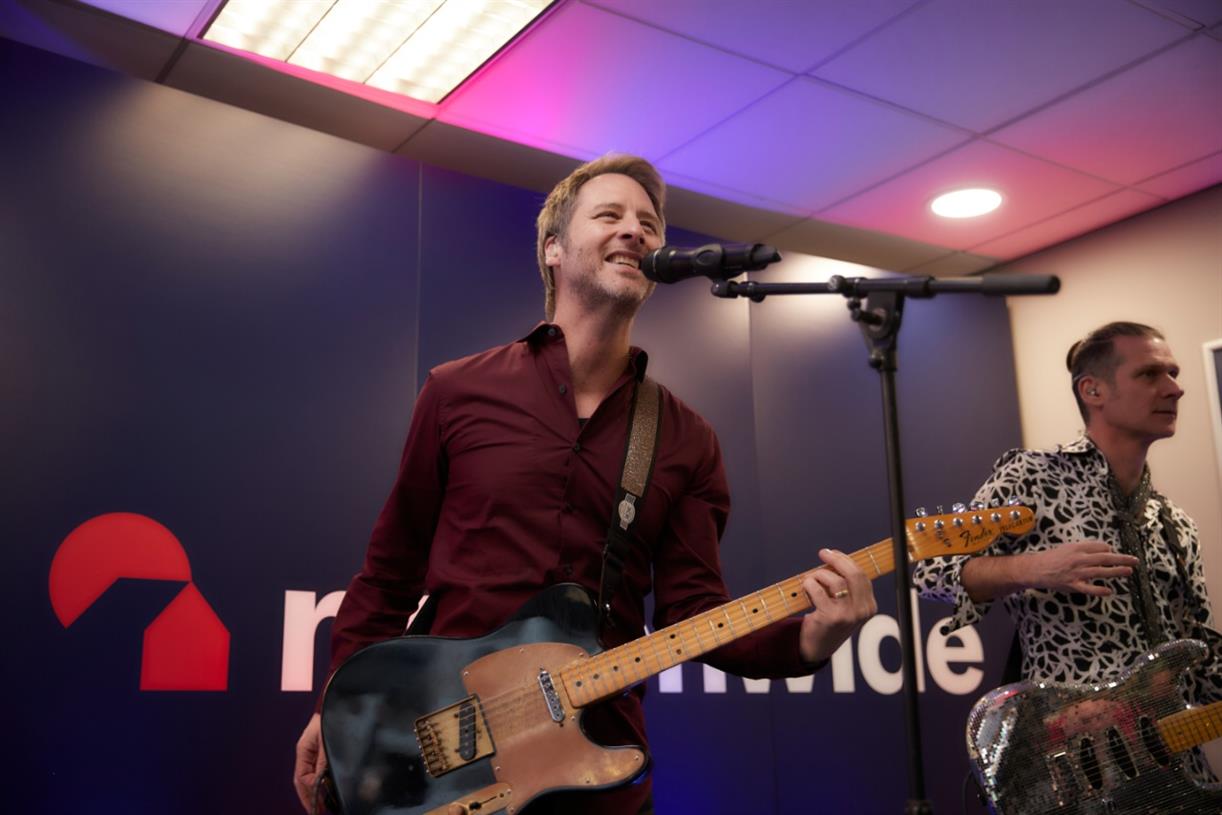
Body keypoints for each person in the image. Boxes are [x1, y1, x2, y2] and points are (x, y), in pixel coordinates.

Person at [293, 154, 878, 813]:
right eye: (610, 215)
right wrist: (335, 712)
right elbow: (387, 575)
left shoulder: (687, 438)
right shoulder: (457, 391)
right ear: (553, 248)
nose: (634, 230)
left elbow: (694, 612)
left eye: (649, 223)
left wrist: (810, 638)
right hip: (445, 764)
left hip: (596, 766)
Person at [914, 321, 1222, 777]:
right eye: (1150, 374)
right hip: (1075, 773)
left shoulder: (1176, 524)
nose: (1175, 389)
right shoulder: (1033, 476)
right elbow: (930, 571)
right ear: (1092, 390)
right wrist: (1031, 567)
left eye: (1173, 374)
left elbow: (1201, 663)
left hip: (1176, 768)